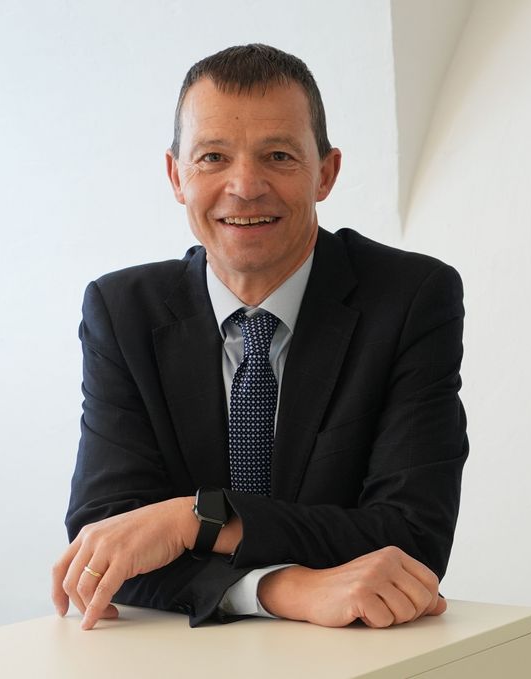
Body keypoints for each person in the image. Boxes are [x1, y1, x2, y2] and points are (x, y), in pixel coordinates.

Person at [49, 44, 468, 630]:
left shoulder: (410, 299)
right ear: (176, 176)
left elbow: (411, 539)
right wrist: (278, 588)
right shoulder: (122, 312)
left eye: (278, 155)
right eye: (213, 157)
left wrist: (193, 521)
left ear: (326, 173)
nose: (245, 186)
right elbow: (108, 544)